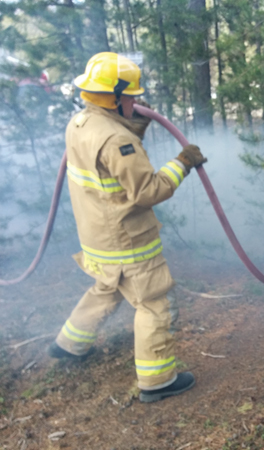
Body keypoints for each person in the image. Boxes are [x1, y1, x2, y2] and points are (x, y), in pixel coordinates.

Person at [47, 52, 206, 403]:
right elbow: (147, 190)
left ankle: (70, 344)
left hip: (96, 238)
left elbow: (107, 165)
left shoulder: (79, 124)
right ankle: (158, 380)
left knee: (105, 288)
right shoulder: (120, 142)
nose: (137, 100)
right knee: (152, 303)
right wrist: (182, 163)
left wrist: (132, 124)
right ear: (114, 98)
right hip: (127, 242)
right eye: (131, 95)